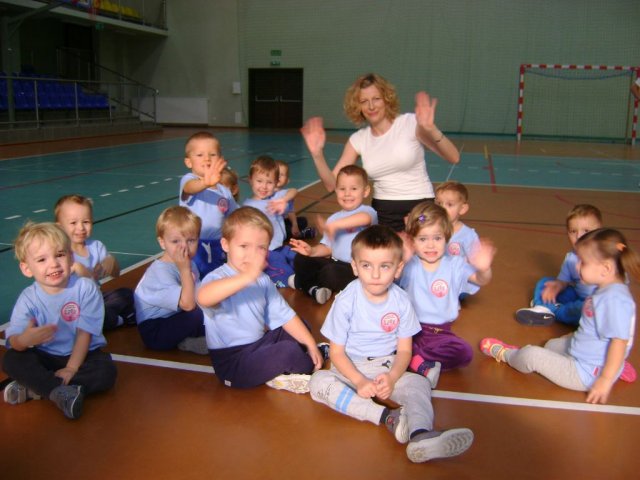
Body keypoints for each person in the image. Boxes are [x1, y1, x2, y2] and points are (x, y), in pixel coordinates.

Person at [309, 225, 473, 463]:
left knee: (418, 383)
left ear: (398, 269)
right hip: (349, 368)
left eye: (385, 266)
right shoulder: (345, 301)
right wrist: (359, 381)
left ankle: (420, 434)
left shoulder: (401, 301)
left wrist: (393, 377)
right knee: (318, 382)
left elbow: (405, 350)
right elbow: (336, 353)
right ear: (354, 267)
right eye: (367, 265)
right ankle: (386, 417)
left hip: (385, 365)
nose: (375, 275)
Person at [481, 228, 640, 404]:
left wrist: (605, 380)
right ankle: (617, 366)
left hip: (586, 372)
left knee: (532, 356)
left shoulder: (614, 301)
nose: (577, 266)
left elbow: (619, 341)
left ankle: (508, 354)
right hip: (584, 353)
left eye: (583, 262)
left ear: (606, 269)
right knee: (551, 345)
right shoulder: (606, 289)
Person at [300, 72, 459, 232]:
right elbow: (331, 184)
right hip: (383, 213)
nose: (371, 106)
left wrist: (431, 128)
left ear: (386, 99)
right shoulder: (358, 139)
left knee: (423, 245)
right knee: (381, 249)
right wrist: (317, 155)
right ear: (358, 106)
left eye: (376, 98)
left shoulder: (410, 123)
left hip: (420, 209)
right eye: (364, 101)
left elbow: (454, 157)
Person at [197, 206, 323, 391]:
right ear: (225, 245)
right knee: (288, 352)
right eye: (244, 246)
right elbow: (203, 297)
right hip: (233, 362)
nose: (252, 254)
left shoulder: (262, 280)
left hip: (258, 344)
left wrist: (311, 345)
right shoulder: (217, 278)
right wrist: (247, 276)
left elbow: (286, 316)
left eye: (261, 248)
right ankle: (296, 368)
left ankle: (284, 366)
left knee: (302, 327)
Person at [2, 222, 117, 419]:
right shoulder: (28, 298)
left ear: (71, 257)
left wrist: (71, 368)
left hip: (83, 355)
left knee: (106, 372)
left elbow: (84, 334)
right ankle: (60, 391)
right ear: (26, 268)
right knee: (12, 359)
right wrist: (24, 340)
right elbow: (14, 340)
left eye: (60, 255)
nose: (53, 264)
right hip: (46, 355)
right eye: (41, 260)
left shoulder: (85, 288)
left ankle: (37, 388)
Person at [399, 202, 495, 372]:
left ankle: (414, 358)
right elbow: (388, 282)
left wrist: (484, 268)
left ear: (447, 237)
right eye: (422, 239)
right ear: (412, 241)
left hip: (439, 332)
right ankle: (413, 357)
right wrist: (400, 261)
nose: (431, 245)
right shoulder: (410, 264)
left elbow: (480, 280)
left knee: (464, 353)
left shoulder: (455, 264)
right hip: (409, 328)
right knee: (387, 340)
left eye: (437, 238)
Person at [289, 165, 377, 304]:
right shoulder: (333, 218)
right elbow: (328, 248)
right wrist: (311, 251)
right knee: (301, 259)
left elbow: (364, 219)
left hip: (356, 269)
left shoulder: (368, 212)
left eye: (354, 189)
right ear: (336, 190)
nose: (347, 193)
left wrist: (335, 225)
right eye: (342, 189)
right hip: (335, 262)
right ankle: (315, 289)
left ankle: (303, 283)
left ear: (365, 191)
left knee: (330, 272)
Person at [54, 194, 135, 330]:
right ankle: (119, 319)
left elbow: (116, 274)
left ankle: (105, 317)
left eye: (86, 222)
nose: (81, 228)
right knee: (85, 316)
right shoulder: (58, 253)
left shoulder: (95, 246)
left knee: (126, 294)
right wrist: (78, 269)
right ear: (60, 227)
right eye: (73, 223)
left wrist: (111, 262)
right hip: (72, 305)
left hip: (96, 299)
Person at [133, 206, 208, 354]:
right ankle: (191, 341)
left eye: (191, 240)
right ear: (162, 242)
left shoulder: (190, 264)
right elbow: (188, 305)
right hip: (155, 330)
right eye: (175, 241)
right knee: (199, 315)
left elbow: (200, 295)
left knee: (214, 309)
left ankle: (194, 339)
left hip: (176, 317)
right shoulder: (160, 271)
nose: (184, 247)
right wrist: (185, 270)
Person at [515, 204, 602, 326]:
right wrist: (557, 286)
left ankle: (557, 311)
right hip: (577, 295)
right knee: (546, 283)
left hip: (596, 303)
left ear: (599, 232)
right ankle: (544, 309)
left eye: (586, 231)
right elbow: (562, 282)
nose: (579, 236)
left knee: (582, 307)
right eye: (573, 231)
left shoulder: (606, 257)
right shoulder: (571, 258)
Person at [179, 131, 238, 279]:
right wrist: (205, 182)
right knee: (194, 278)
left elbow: (235, 216)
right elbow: (189, 188)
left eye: (212, 154)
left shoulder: (224, 191)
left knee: (218, 277)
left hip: (217, 245)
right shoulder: (188, 180)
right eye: (199, 155)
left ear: (220, 159)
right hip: (193, 245)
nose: (206, 159)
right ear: (188, 162)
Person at [243, 155, 298, 287]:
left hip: (280, 247)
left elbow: (293, 191)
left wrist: (283, 200)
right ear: (250, 180)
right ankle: (293, 282)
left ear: (276, 183)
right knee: (284, 269)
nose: (264, 186)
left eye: (269, 182)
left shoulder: (276, 198)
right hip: (266, 251)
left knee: (302, 259)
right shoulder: (247, 207)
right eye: (259, 181)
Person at [435, 181, 479, 262]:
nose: (442, 209)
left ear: (462, 209)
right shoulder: (430, 226)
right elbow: (419, 218)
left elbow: (478, 263)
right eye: (439, 203)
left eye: (449, 204)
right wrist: (419, 217)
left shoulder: (467, 235)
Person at [275, 159, 315, 240]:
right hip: (270, 226)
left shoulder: (288, 194)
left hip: (281, 223)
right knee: (282, 231)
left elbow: (290, 211)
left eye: (281, 174)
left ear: (287, 180)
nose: (278, 176)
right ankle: (300, 234)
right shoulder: (266, 192)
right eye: (276, 173)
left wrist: (295, 225)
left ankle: (295, 232)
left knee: (303, 221)